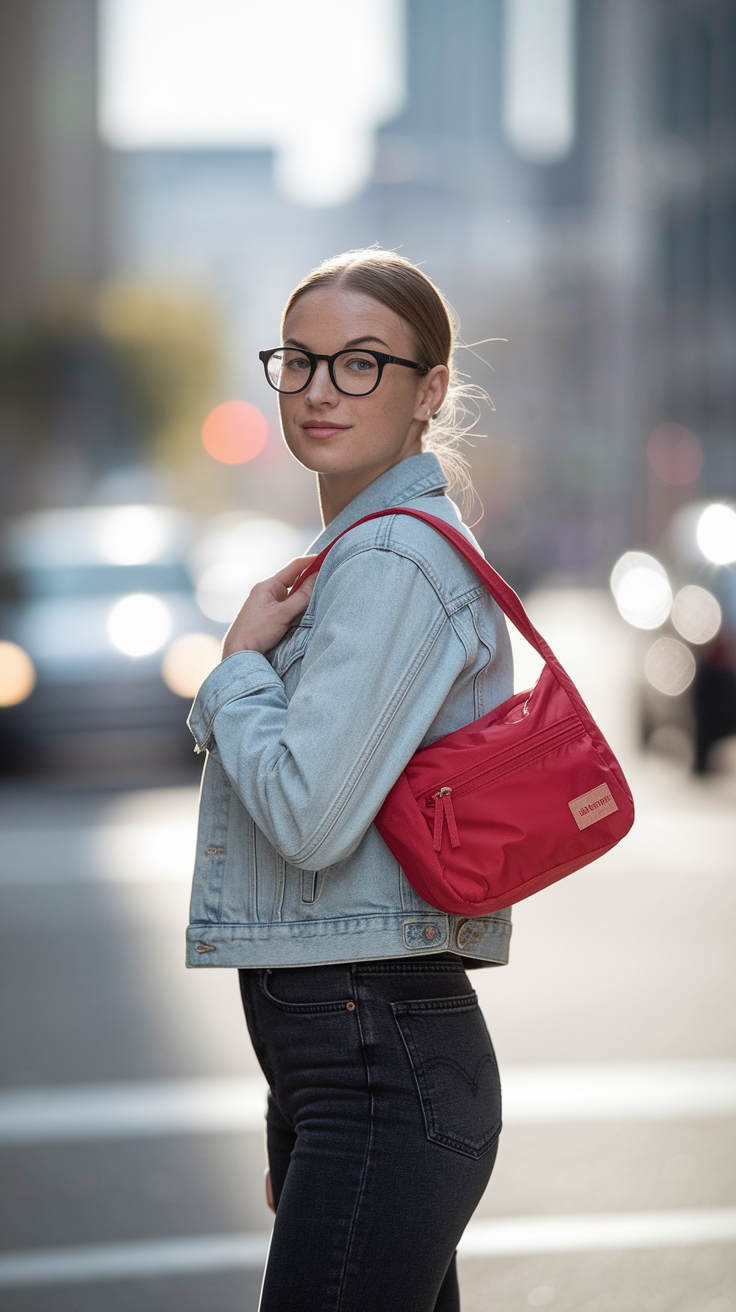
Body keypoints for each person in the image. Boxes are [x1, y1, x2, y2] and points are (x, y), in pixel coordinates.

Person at [187, 249, 513, 1312]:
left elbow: (309, 815)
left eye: (362, 363)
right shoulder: (354, 551)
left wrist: (235, 667)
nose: (321, 387)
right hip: (359, 1057)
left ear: (429, 393)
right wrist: (295, 1104)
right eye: (301, 360)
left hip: (379, 1058)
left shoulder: (388, 562)